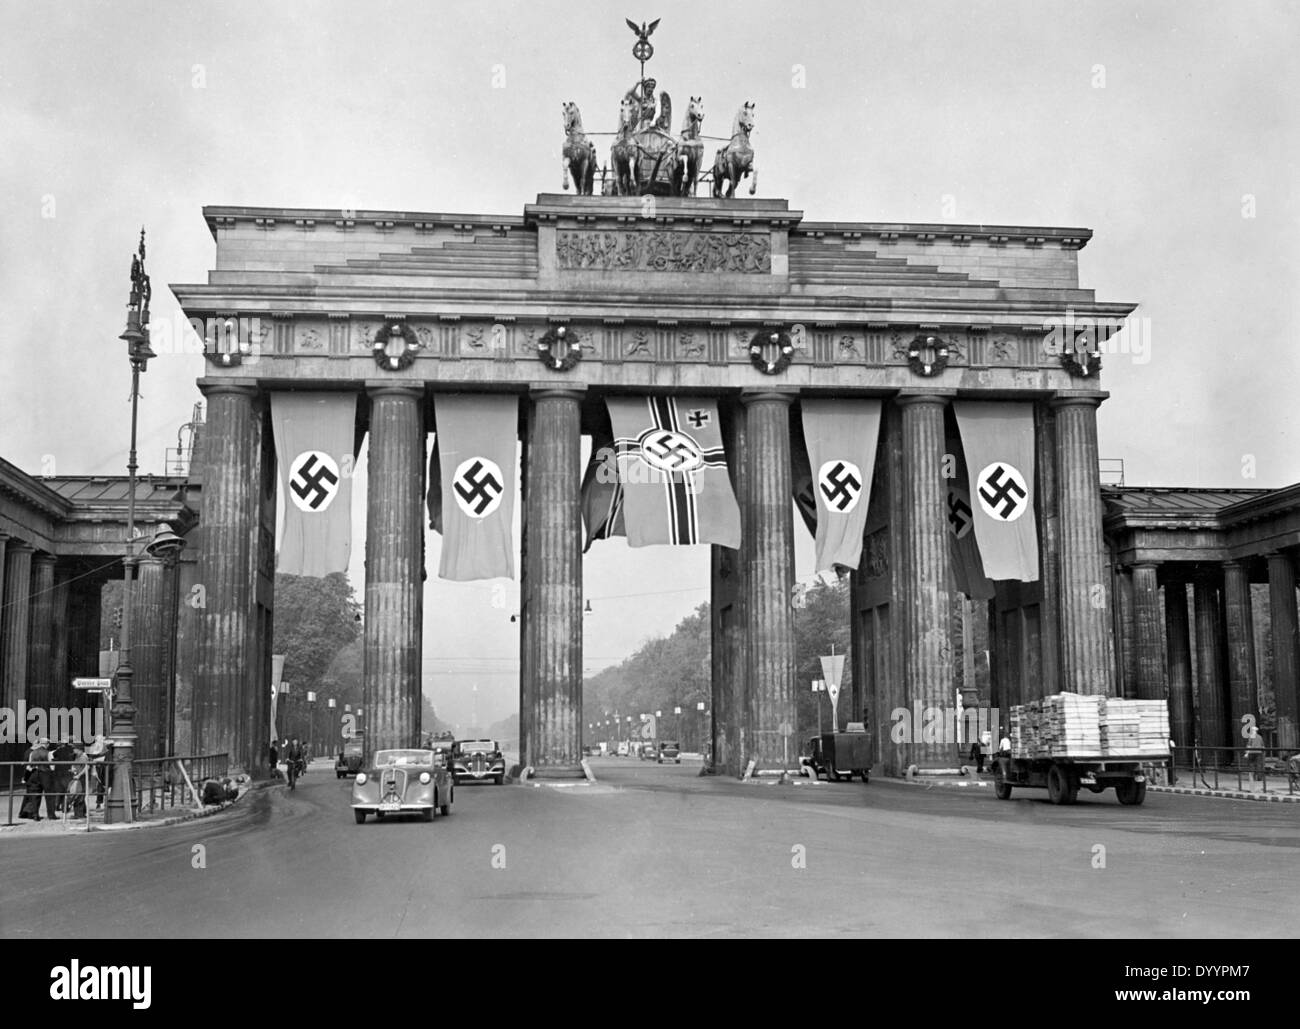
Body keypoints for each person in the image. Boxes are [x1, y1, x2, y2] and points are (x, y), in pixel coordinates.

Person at [19, 737, 51, 820]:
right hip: (43, 775)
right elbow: (52, 766)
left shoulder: (32, 753)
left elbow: (29, 766)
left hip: (33, 775)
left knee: (33, 796)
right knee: (47, 795)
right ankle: (50, 815)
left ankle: (32, 814)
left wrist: (25, 777)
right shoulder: (47, 753)